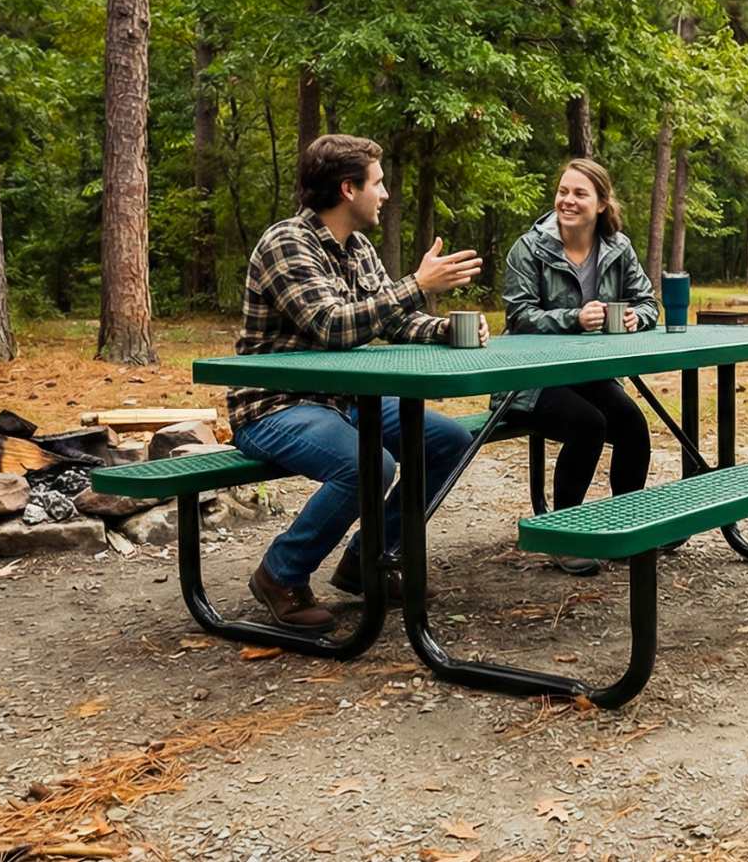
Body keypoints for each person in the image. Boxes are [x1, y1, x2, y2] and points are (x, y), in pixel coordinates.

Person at [230, 134, 487, 632]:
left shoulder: (361, 248)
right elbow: (331, 325)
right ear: (349, 189)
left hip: (346, 399)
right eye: (378, 183)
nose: (385, 194)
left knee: (449, 442)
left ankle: (370, 559)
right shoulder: (287, 243)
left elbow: (386, 323)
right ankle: (279, 574)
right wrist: (416, 286)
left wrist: (443, 329)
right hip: (275, 406)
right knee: (370, 465)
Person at [498, 158, 658, 576]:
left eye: (579, 193)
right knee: (589, 424)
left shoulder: (618, 248)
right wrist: (573, 318)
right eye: (563, 192)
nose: (567, 201)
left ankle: (628, 524)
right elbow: (518, 317)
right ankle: (564, 533)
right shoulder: (529, 248)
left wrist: (636, 318)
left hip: (586, 373)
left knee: (631, 423)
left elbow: (647, 302)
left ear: (602, 203)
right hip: (528, 378)